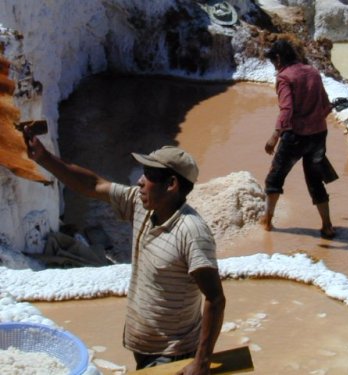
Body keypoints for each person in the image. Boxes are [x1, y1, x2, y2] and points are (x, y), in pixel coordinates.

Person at [23, 129, 226, 375]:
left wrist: (202, 362)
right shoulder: (142, 206)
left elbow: (215, 298)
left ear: (171, 184)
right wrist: (44, 157)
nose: (140, 180)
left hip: (174, 355)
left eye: (149, 175)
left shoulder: (192, 232)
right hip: (144, 348)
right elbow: (93, 184)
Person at [260, 39, 336, 239]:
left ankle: (267, 221)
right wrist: (314, 124)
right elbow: (326, 105)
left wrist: (274, 136)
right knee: (315, 181)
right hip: (319, 135)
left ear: (278, 58)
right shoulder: (313, 71)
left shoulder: (285, 77)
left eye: (274, 63)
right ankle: (327, 226)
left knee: (274, 179)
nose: (275, 68)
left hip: (295, 137)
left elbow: (287, 109)